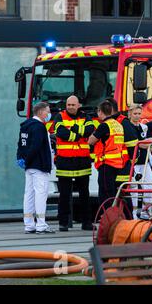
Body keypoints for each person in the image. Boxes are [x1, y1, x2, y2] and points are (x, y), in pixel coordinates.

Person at [54, 96, 94, 232]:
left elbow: (90, 130)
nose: (70, 107)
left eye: (73, 104)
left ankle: (86, 222)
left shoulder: (86, 117)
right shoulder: (59, 116)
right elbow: (60, 132)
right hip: (65, 161)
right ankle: (63, 223)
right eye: (68, 104)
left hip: (82, 161)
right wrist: (77, 135)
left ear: (79, 105)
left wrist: (75, 130)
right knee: (64, 195)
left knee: (85, 194)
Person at [16, 102, 55, 234]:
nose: (49, 114)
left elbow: (21, 144)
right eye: (47, 111)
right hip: (39, 166)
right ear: (40, 112)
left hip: (29, 167)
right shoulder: (39, 127)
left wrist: (21, 159)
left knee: (29, 195)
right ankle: (41, 225)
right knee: (40, 195)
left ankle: (29, 225)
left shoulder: (26, 125)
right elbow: (36, 146)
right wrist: (28, 159)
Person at [88, 101, 128, 208]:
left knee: (105, 194)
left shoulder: (104, 126)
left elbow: (91, 141)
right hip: (117, 163)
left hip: (106, 163)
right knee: (112, 192)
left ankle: (107, 216)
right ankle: (114, 214)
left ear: (100, 112)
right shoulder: (118, 125)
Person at [128, 104, 152, 219]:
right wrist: (144, 143)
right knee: (134, 188)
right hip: (133, 162)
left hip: (145, 162)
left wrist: (144, 143)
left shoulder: (144, 127)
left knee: (151, 185)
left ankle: (146, 211)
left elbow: (150, 142)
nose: (137, 116)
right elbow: (141, 144)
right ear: (130, 114)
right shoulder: (127, 127)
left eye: (139, 114)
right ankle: (134, 214)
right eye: (135, 113)